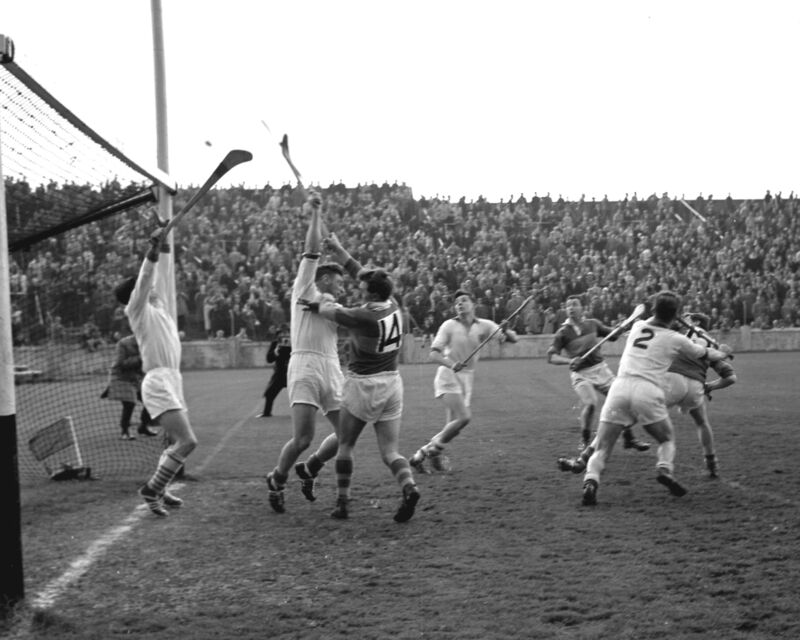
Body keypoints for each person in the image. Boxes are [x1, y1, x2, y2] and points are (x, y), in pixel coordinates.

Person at [580, 291, 732, 506]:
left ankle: (591, 481)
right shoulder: (677, 339)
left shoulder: (637, 326)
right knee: (667, 439)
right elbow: (708, 354)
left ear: (654, 310)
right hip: (648, 391)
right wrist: (723, 352)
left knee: (603, 448)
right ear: (675, 315)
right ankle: (664, 468)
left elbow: (639, 317)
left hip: (619, 388)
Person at [265, 194, 362, 513]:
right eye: (338, 281)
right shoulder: (305, 289)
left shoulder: (335, 305)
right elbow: (312, 250)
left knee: (346, 435)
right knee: (303, 438)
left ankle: (310, 468)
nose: (342, 287)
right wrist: (316, 214)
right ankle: (278, 479)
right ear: (324, 278)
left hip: (331, 367)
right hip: (305, 364)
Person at [298, 268, 420, 522]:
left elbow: (329, 310)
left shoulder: (363, 316)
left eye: (363, 290)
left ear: (373, 294)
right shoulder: (393, 305)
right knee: (390, 452)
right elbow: (363, 273)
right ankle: (409, 487)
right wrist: (340, 252)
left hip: (363, 384)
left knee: (345, 444)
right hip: (392, 382)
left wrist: (318, 301)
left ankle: (342, 503)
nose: (358, 291)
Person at [114, 222, 196, 517]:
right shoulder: (137, 309)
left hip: (172, 379)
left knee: (175, 442)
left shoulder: (159, 306)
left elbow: (158, 275)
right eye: (141, 285)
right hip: (158, 380)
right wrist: (152, 249)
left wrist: (163, 243)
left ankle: (160, 488)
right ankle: (152, 489)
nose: (149, 286)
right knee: (188, 441)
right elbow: (148, 274)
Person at [408, 289, 518, 474]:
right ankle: (427, 452)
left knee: (453, 429)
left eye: (464, 300)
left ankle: (425, 455)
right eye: (457, 302)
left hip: (467, 378)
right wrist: (452, 365)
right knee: (464, 417)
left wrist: (506, 330)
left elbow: (513, 339)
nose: (460, 303)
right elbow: (434, 354)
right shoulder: (448, 325)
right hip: (448, 374)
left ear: (473, 304)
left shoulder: (485, 325)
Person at [548, 296, 650, 453]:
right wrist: (569, 361)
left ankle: (629, 438)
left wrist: (621, 327)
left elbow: (613, 335)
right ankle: (585, 441)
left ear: (582, 308)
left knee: (622, 401)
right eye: (568, 306)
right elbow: (551, 357)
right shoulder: (562, 332)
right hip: (581, 374)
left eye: (574, 304)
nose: (571, 308)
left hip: (601, 370)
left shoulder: (593, 324)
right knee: (590, 403)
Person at [662, 312, 737, 478]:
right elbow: (731, 378)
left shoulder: (678, 332)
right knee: (702, 422)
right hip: (695, 385)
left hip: (672, 379)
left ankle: (618, 435)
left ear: (695, 322)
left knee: (645, 411)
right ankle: (711, 462)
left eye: (687, 316)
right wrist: (709, 387)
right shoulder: (711, 345)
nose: (683, 318)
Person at [102, 332, 156, 440]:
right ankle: (125, 432)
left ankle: (143, 427)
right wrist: (140, 358)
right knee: (129, 404)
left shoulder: (148, 345)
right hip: (121, 377)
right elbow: (121, 364)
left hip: (136, 378)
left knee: (150, 401)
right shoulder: (123, 343)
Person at [258, 323, 291, 418]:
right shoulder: (275, 344)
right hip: (279, 373)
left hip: (292, 372)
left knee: (303, 394)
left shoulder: (295, 343)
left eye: (286, 333)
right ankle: (266, 412)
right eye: (282, 333)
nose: (284, 336)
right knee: (269, 394)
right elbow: (269, 359)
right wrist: (275, 352)